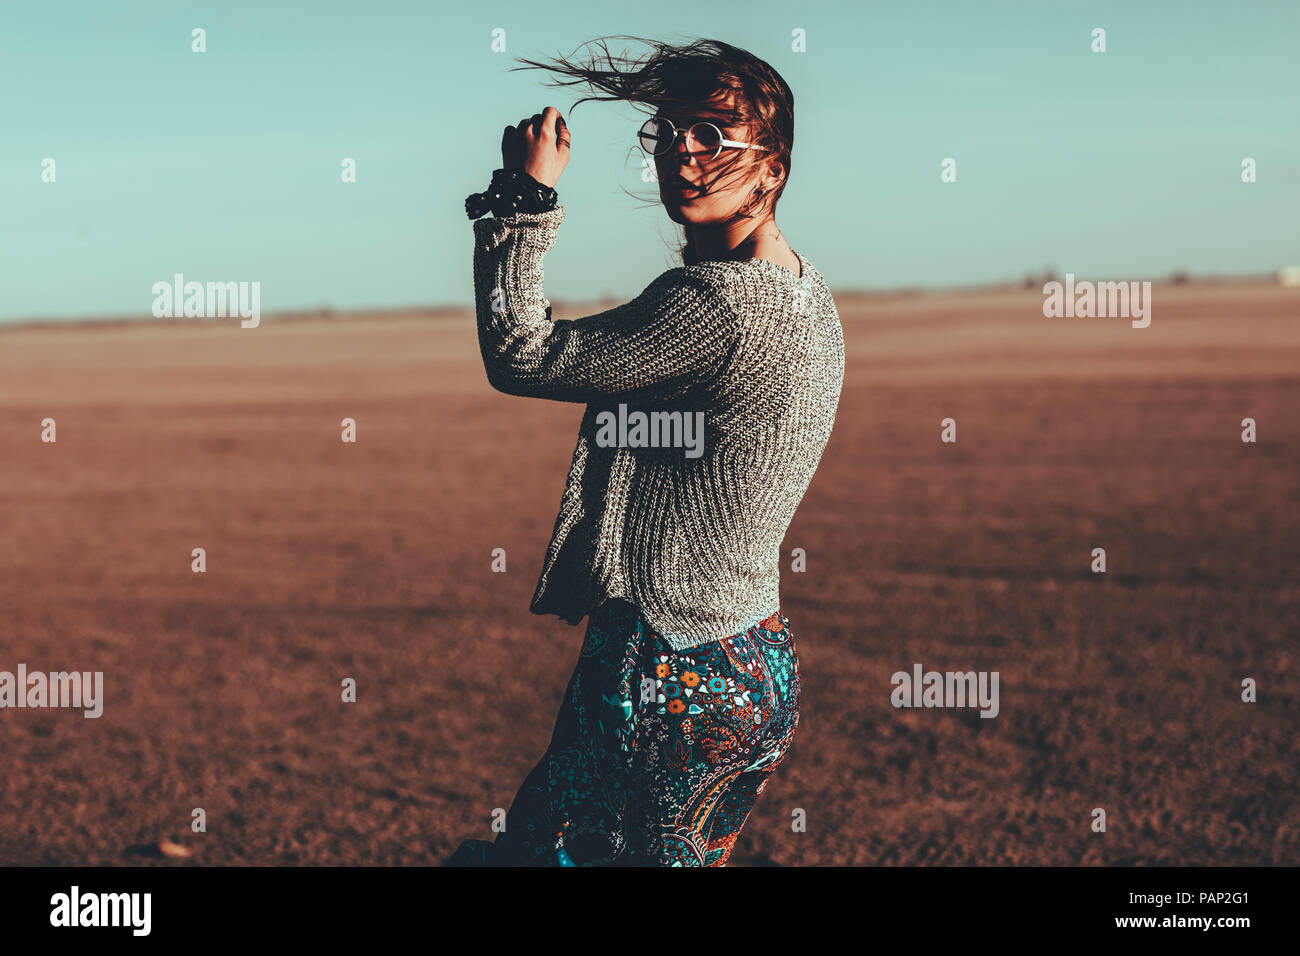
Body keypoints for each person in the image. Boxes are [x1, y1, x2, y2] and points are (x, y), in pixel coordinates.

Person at [448, 36, 844, 866]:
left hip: (665, 672)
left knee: (529, 855)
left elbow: (521, 354)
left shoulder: (717, 306)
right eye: (667, 133)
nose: (680, 155)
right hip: (750, 664)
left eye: (713, 137)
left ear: (772, 168)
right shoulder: (808, 293)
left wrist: (524, 197)